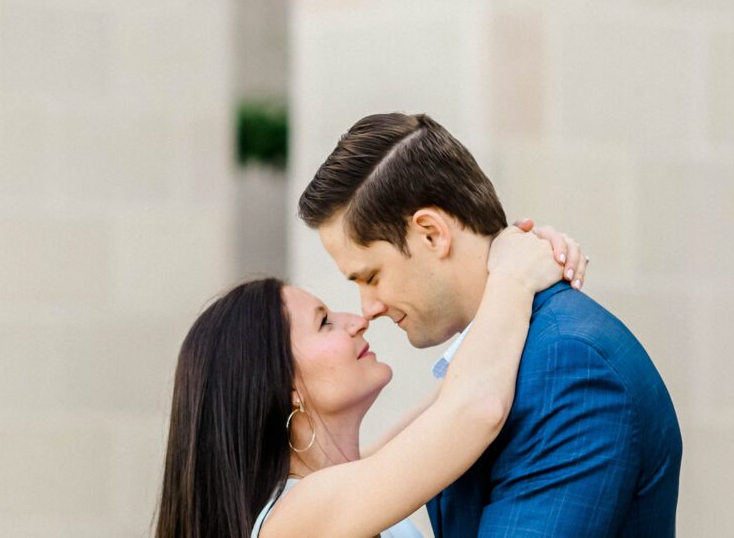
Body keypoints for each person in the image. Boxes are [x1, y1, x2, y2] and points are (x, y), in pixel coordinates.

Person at [297, 112, 682, 537]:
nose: (367, 309)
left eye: (371, 277)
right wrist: (514, 273)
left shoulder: (569, 365)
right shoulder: (500, 364)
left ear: (431, 233)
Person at [156, 223, 586, 537]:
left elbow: (453, 397)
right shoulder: (293, 518)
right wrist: (515, 276)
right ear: (284, 387)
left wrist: (505, 251)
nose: (358, 320)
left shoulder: (351, 479)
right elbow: (474, 409)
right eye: (324, 322)